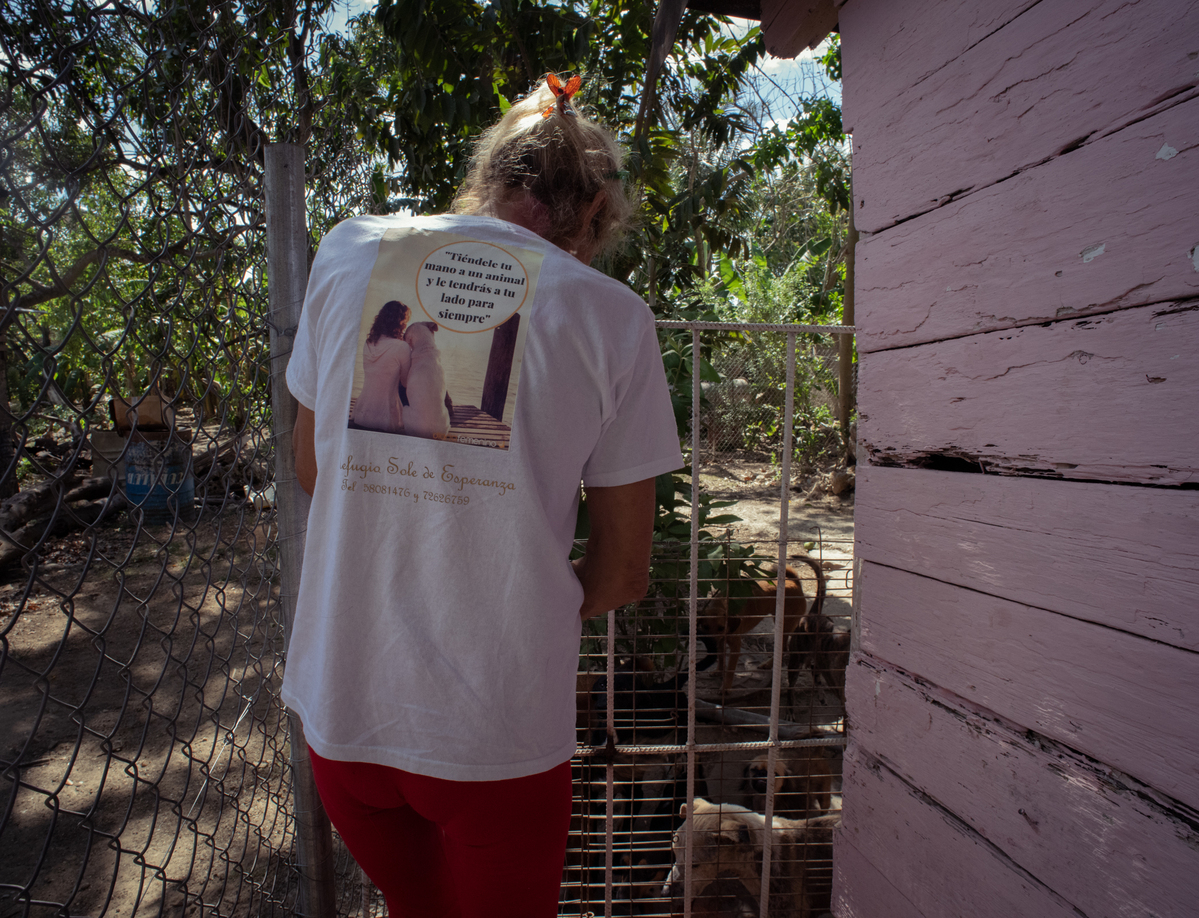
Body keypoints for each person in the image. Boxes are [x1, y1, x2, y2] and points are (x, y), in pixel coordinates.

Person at [285, 73, 683, 918]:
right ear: (593, 213)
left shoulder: (351, 248)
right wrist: (513, 589)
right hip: (495, 734)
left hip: (343, 711)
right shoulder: (612, 316)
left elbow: (312, 467)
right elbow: (623, 572)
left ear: (487, 180)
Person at [350, 300, 412, 433]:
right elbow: (405, 382)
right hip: (386, 419)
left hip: (361, 414)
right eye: (406, 321)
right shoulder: (402, 347)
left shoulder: (368, 342)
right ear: (400, 323)